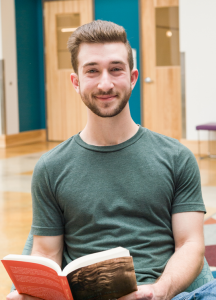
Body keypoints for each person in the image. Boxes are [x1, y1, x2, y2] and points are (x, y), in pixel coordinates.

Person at [7, 20, 215, 300]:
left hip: (165, 293)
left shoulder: (176, 157)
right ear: (76, 82)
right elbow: (46, 253)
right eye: (92, 71)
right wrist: (36, 292)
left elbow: (190, 243)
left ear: (132, 77)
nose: (105, 83)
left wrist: (158, 292)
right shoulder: (50, 167)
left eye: (116, 69)